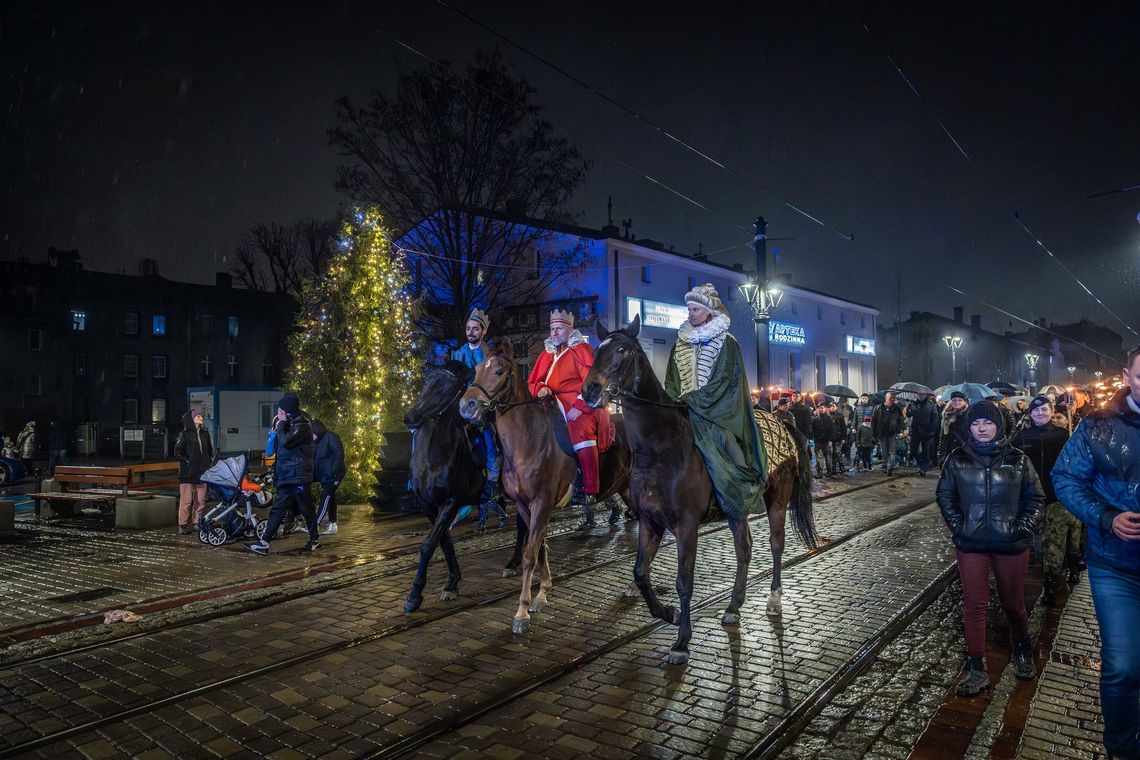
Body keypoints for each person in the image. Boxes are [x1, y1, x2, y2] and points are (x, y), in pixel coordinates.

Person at [1053, 346, 1140, 760]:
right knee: (1123, 665)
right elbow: (1066, 479)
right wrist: (1106, 517)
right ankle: (1122, 750)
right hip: (1115, 565)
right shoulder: (1098, 426)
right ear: (1127, 376)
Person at [937, 401, 1044, 697]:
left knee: (1013, 603)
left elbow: (1035, 498)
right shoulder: (957, 459)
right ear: (968, 427)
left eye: (987, 422)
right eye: (975, 423)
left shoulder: (1018, 459)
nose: (982, 428)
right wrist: (961, 526)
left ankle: (1022, 647)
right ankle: (976, 667)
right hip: (971, 545)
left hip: (1010, 545)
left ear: (999, 424)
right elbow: (945, 496)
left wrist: (1021, 529)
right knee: (974, 604)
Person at [664, 282, 766, 517]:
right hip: (684, 407)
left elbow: (725, 380)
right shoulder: (680, 343)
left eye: (695, 310)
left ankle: (746, 489)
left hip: (718, 409)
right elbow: (671, 378)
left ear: (708, 311)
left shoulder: (726, 342)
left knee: (725, 439)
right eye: (689, 310)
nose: (690, 314)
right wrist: (674, 399)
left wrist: (694, 400)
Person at [528, 308, 616, 529]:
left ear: (569, 329)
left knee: (579, 431)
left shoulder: (581, 349)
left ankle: (588, 489)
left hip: (578, 403)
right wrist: (539, 388)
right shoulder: (546, 353)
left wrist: (579, 405)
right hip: (549, 402)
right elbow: (534, 381)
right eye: (552, 328)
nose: (554, 332)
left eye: (559, 328)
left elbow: (592, 382)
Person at [1012, 395, 1074, 605]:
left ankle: (1051, 583)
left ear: (1051, 411)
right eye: (1036, 410)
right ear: (1031, 413)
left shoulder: (1064, 435)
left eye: (1044, 410)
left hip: (1057, 497)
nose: (1040, 413)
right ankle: (1047, 569)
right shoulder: (1021, 436)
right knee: (1039, 540)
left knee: (1054, 540)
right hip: (1031, 498)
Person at [452, 307, 508, 530]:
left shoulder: (489, 356)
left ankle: (492, 493)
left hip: (484, 412)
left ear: (483, 331)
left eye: (475, 329)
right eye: (468, 328)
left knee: (491, 452)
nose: (470, 332)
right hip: (462, 410)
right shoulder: (457, 354)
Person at [245, 393, 320, 554]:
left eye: (281, 408)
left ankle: (314, 539)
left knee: (306, 509)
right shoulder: (286, 423)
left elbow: (286, 441)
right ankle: (264, 542)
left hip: (298, 476)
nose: (278, 412)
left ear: (286, 409)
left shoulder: (302, 424)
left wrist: (282, 424)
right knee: (277, 509)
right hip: (286, 476)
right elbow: (273, 449)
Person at [174, 409, 214, 534]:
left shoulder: (204, 433)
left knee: (200, 500)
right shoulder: (185, 434)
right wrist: (188, 461)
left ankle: (197, 522)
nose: (201, 418)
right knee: (186, 500)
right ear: (192, 419)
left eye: (201, 416)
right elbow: (177, 451)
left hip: (201, 473)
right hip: (188, 473)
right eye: (198, 416)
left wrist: (208, 463)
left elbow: (209, 450)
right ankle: (183, 524)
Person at [311, 418, 346, 535]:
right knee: (330, 498)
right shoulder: (316, 441)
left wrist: (333, 471)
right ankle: (332, 524)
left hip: (333, 475)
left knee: (325, 498)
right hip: (324, 475)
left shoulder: (330, 437)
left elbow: (338, 454)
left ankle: (315, 525)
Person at [871, 392, 905, 474]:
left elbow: (901, 420)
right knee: (884, 451)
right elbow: (874, 421)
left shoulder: (897, 409)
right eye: (890, 398)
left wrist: (899, 430)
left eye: (893, 398)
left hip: (892, 433)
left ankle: (889, 467)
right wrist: (873, 432)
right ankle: (888, 464)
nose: (892, 400)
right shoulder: (878, 408)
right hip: (881, 433)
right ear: (886, 398)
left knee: (892, 451)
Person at [907, 393, 940, 476]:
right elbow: (909, 415)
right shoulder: (912, 403)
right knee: (913, 449)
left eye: (922, 394)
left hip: (927, 431)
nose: (920, 395)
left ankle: (923, 468)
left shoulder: (931, 404)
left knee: (926, 451)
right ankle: (920, 463)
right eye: (919, 394)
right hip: (915, 431)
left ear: (925, 395)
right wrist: (908, 409)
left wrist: (932, 430)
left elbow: (935, 418)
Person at [938, 392, 970, 464]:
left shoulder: (969, 414)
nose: (957, 402)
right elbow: (943, 436)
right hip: (950, 452)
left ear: (965, 402)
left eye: (960, 400)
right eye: (954, 400)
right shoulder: (947, 415)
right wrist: (942, 455)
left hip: (965, 451)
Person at [852, 394, 876, 471]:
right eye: (863, 398)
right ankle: (864, 465)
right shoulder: (857, 408)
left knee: (869, 450)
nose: (864, 400)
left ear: (868, 399)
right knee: (860, 450)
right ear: (861, 399)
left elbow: (873, 420)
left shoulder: (871, 408)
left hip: (868, 432)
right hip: (859, 432)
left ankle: (870, 465)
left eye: (866, 398)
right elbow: (854, 419)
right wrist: (853, 428)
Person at [810, 404, 834, 477]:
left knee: (828, 458)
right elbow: (812, 429)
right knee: (819, 458)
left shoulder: (829, 418)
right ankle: (819, 472)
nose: (820, 409)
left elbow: (831, 430)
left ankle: (829, 472)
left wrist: (830, 440)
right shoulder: (815, 419)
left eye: (821, 408)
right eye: (819, 408)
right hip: (818, 441)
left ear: (825, 409)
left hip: (826, 441)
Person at [827, 401, 848, 475]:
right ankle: (832, 469)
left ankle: (841, 466)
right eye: (831, 406)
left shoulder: (840, 416)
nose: (832, 408)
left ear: (836, 407)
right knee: (830, 454)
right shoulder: (827, 416)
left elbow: (843, 428)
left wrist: (843, 438)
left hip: (838, 438)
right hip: (830, 439)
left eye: (834, 406)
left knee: (837, 453)